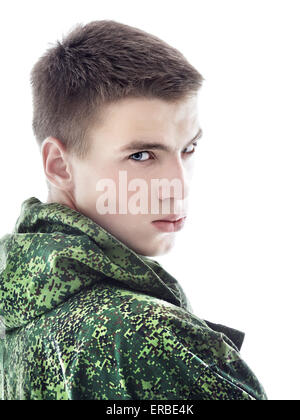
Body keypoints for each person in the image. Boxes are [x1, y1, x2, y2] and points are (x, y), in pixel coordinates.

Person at [0, 20, 267, 400]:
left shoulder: (18, 309)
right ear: (60, 165)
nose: (179, 186)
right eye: (141, 155)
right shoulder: (143, 334)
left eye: (188, 149)